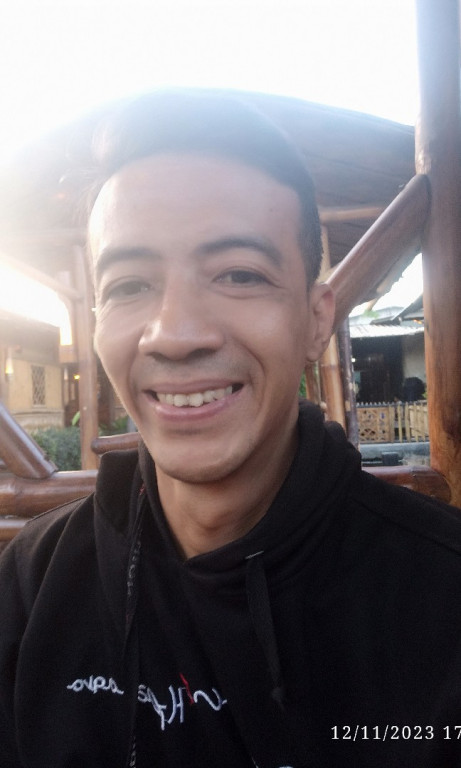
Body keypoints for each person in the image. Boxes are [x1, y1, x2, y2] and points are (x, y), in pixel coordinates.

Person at [1, 90, 461, 768]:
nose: (174, 334)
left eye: (239, 274)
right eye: (129, 285)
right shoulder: (31, 586)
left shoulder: (442, 598)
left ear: (316, 319)